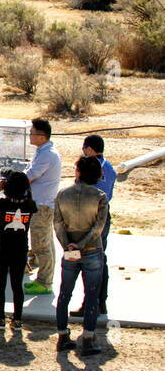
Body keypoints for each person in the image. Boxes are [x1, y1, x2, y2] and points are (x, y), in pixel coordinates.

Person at [54, 155, 110, 357]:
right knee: (92, 296)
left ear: (78, 172)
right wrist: (82, 244)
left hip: (70, 251)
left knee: (64, 294)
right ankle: (88, 338)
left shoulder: (62, 194)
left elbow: (58, 224)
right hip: (92, 250)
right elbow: (98, 228)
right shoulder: (100, 197)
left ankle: (62, 335)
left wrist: (68, 245)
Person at [71, 135, 116, 317]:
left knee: (86, 261)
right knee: (100, 259)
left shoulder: (90, 168)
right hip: (104, 217)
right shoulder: (110, 168)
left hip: (88, 219)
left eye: (84, 149)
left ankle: (90, 303)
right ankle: (100, 301)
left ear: (89, 149)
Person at [0, 171, 36, 330]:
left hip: (2, 247)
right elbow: (29, 198)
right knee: (17, 284)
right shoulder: (30, 205)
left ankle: (0, 318)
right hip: (20, 248)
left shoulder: (2, 203)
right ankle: (17, 319)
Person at [22, 118, 62, 296]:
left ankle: (44, 282)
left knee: (41, 246)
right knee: (46, 243)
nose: (29, 136)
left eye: (31, 133)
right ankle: (45, 279)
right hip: (40, 204)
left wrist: (14, 180)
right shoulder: (42, 151)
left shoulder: (47, 154)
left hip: (42, 206)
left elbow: (31, 175)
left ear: (41, 136)